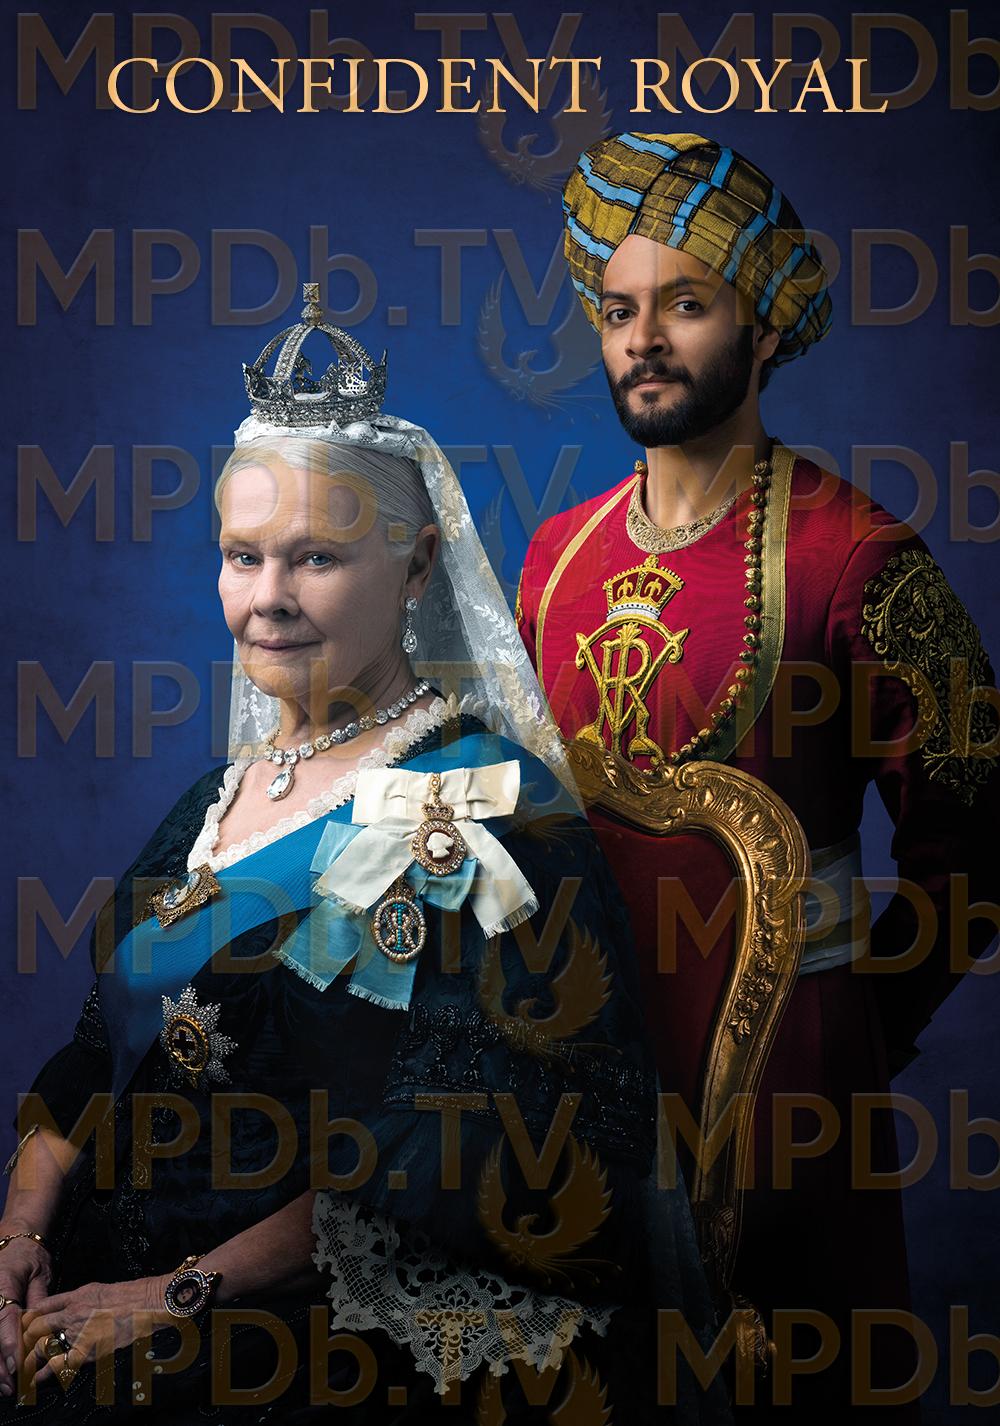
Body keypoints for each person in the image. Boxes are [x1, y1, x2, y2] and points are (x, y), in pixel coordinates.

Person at [0, 287, 732, 1423]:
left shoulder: (482, 808)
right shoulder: (215, 798)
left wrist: (169, 1297)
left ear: (418, 565)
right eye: (242, 557)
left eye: (316, 559)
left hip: (315, 1335)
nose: (268, 601)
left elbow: (464, 1153)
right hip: (104, 1288)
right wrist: (22, 1234)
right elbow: (106, 1048)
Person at [515, 132, 1000, 1421]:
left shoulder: (859, 555)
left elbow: (978, 828)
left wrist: (858, 1030)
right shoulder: (554, 559)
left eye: (684, 304)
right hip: (583, 1078)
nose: (642, 340)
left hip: (790, 1087)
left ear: (764, 325)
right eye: (617, 310)